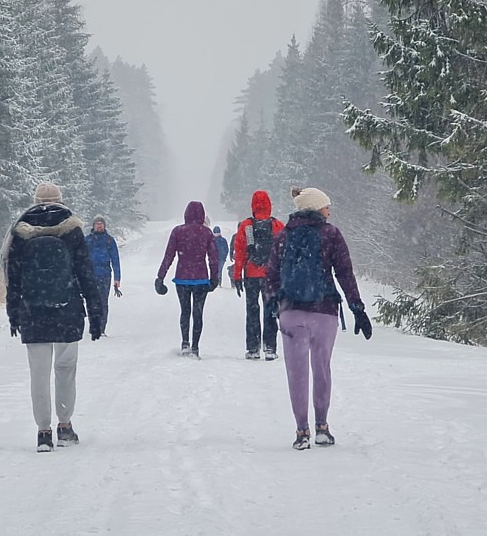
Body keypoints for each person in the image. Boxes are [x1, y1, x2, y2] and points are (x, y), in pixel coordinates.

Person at [266, 186, 372, 451]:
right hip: (324, 311)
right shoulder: (332, 234)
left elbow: (271, 274)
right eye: (326, 206)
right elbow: (345, 273)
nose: (329, 210)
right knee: (321, 368)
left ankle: (302, 432)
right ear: (316, 208)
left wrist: (271, 307)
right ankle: (322, 427)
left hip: (291, 311)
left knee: (297, 373)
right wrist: (357, 307)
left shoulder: (283, 236)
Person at [5, 182, 102, 452]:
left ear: (34, 200)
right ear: (62, 199)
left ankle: (43, 432)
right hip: (67, 310)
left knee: (38, 373)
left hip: (32, 312)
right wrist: (95, 312)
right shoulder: (72, 230)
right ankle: (65, 426)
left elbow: (13, 278)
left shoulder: (20, 231)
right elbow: (85, 273)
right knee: (66, 369)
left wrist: (13, 313)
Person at [155, 201, 219, 358]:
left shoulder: (178, 231)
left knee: (185, 311)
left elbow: (169, 255)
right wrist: (214, 278)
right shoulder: (207, 233)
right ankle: (195, 346)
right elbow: (213, 258)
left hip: (182, 278)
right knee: (198, 313)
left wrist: (160, 276)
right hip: (201, 279)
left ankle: (185, 343)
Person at [232, 190, 285, 361]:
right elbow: (284, 251)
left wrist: (237, 275)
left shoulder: (246, 226)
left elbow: (239, 251)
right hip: (271, 275)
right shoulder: (277, 225)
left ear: (253, 205)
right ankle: (270, 348)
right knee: (270, 310)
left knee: (252, 310)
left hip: (251, 274)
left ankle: (253, 348)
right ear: (269, 204)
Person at [85, 215, 121, 336]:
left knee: (103, 302)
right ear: (93, 226)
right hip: (90, 276)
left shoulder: (109, 240)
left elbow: (115, 259)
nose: (99, 226)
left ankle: (101, 328)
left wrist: (117, 278)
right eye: (97, 223)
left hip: (105, 275)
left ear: (104, 226)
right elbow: (81, 258)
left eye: (101, 223)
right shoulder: (87, 240)